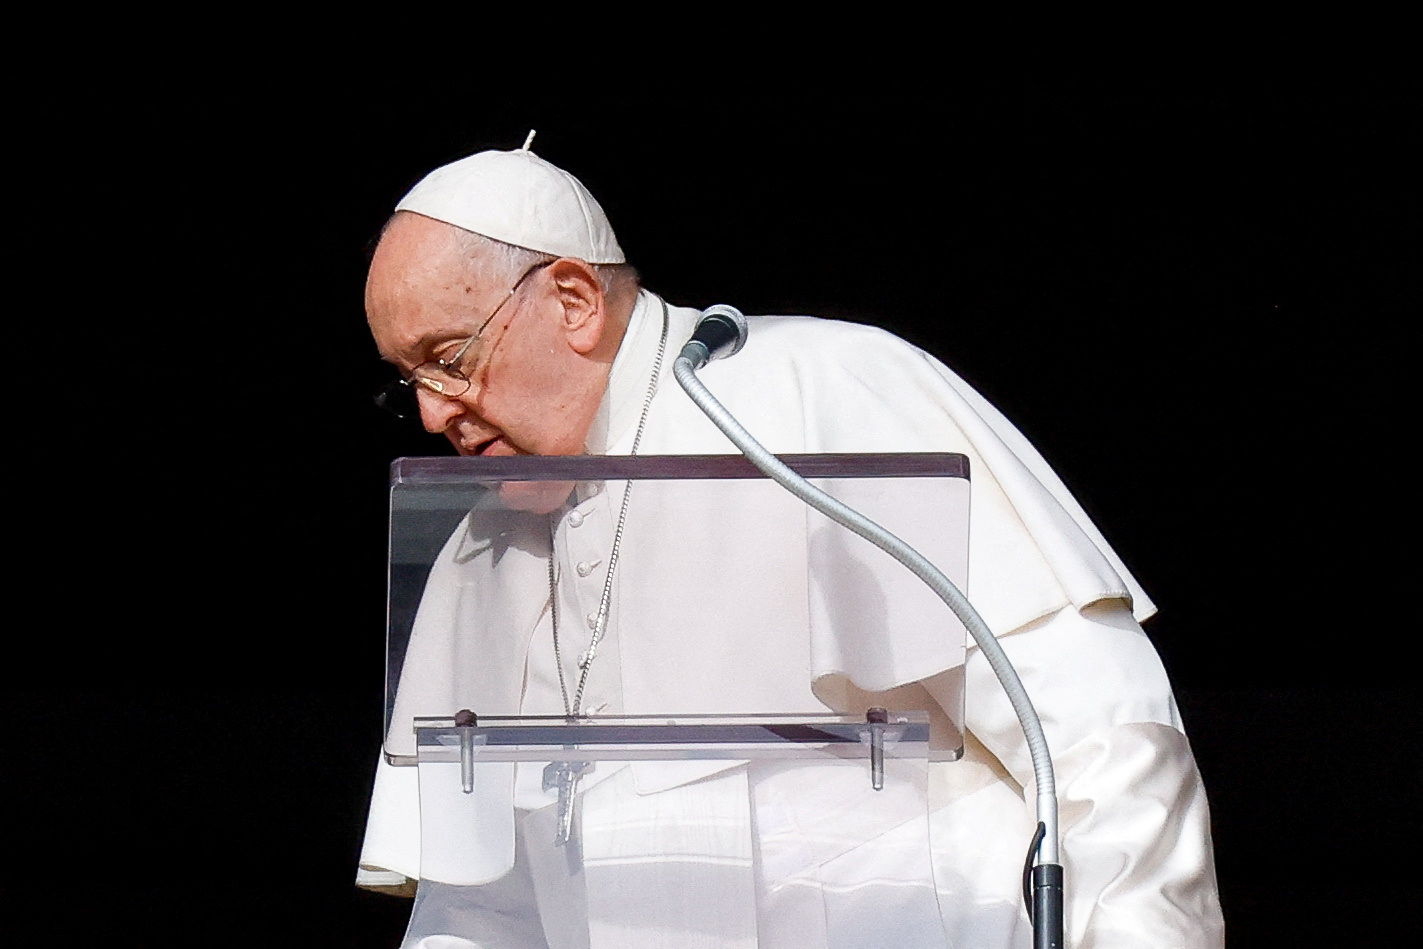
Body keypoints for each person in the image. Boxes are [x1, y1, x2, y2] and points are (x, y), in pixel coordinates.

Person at [357, 141, 1225, 948]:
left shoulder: (815, 397)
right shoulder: (482, 549)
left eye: (450, 359)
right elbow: (477, 902)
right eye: (411, 383)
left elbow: (1100, 740)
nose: (435, 412)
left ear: (574, 300)